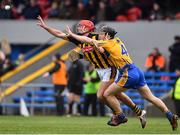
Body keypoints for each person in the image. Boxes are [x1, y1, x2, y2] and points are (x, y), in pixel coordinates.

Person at [37, 16, 146, 128]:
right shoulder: (78, 39)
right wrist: (46, 27)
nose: (79, 28)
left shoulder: (97, 37)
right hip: (100, 70)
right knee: (116, 94)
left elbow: (109, 44)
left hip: (110, 68)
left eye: (81, 26)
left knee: (101, 95)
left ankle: (119, 115)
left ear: (88, 28)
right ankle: (138, 112)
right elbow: (59, 34)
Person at [65, 25, 178, 130]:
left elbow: (89, 40)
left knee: (107, 94)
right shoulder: (117, 41)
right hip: (136, 70)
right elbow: (107, 54)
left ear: (107, 35)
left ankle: (120, 116)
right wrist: (81, 56)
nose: (100, 36)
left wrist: (72, 35)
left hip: (128, 73)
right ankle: (169, 115)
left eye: (102, 34)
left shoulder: (107, 43)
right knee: (150, 97)